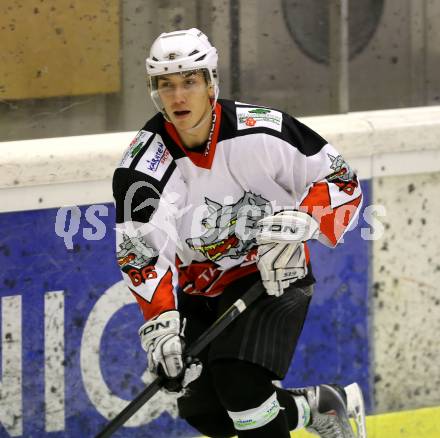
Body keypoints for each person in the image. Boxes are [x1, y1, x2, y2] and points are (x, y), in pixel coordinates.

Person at [113, 28, 366, 438]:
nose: (178, 97)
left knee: (240, 383)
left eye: (190, 82)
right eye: (166, 84)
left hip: (270, 272)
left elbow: (342, 181)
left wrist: (308, 219)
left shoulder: (264, 131)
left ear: (212, 83)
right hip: (198, 287)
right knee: (207, 412)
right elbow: (141, 253)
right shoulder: (142, 169)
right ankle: (317, 405)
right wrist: (160, 324)